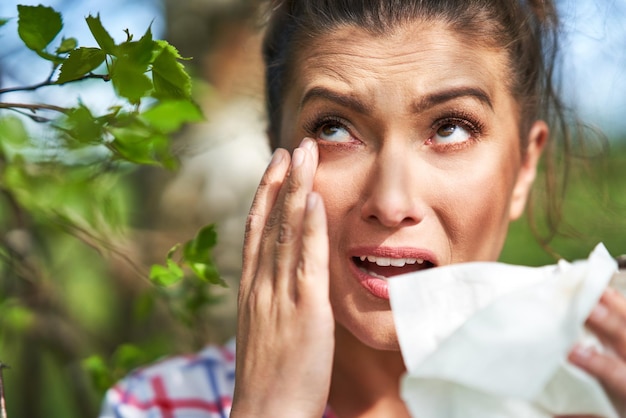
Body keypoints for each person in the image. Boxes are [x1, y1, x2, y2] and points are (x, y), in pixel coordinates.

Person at [100, 1, 626, 417]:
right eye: (334, 129)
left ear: (524, 169)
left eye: (450, 128)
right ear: (274, 158)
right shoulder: (156, 407)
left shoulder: (598, 390)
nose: (391, 203)